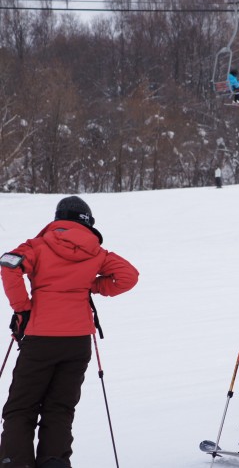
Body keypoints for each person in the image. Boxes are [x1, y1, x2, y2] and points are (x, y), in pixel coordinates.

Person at [0, 196, 139, 468]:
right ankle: (54, 462)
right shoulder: (96, 251)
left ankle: (15, 463)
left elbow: (8, 264)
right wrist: (90, 286)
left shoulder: (38, 246)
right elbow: (128, 276)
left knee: (21, 408)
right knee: (60, 408)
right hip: (77, 343)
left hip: (40, 339)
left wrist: (22, 309)